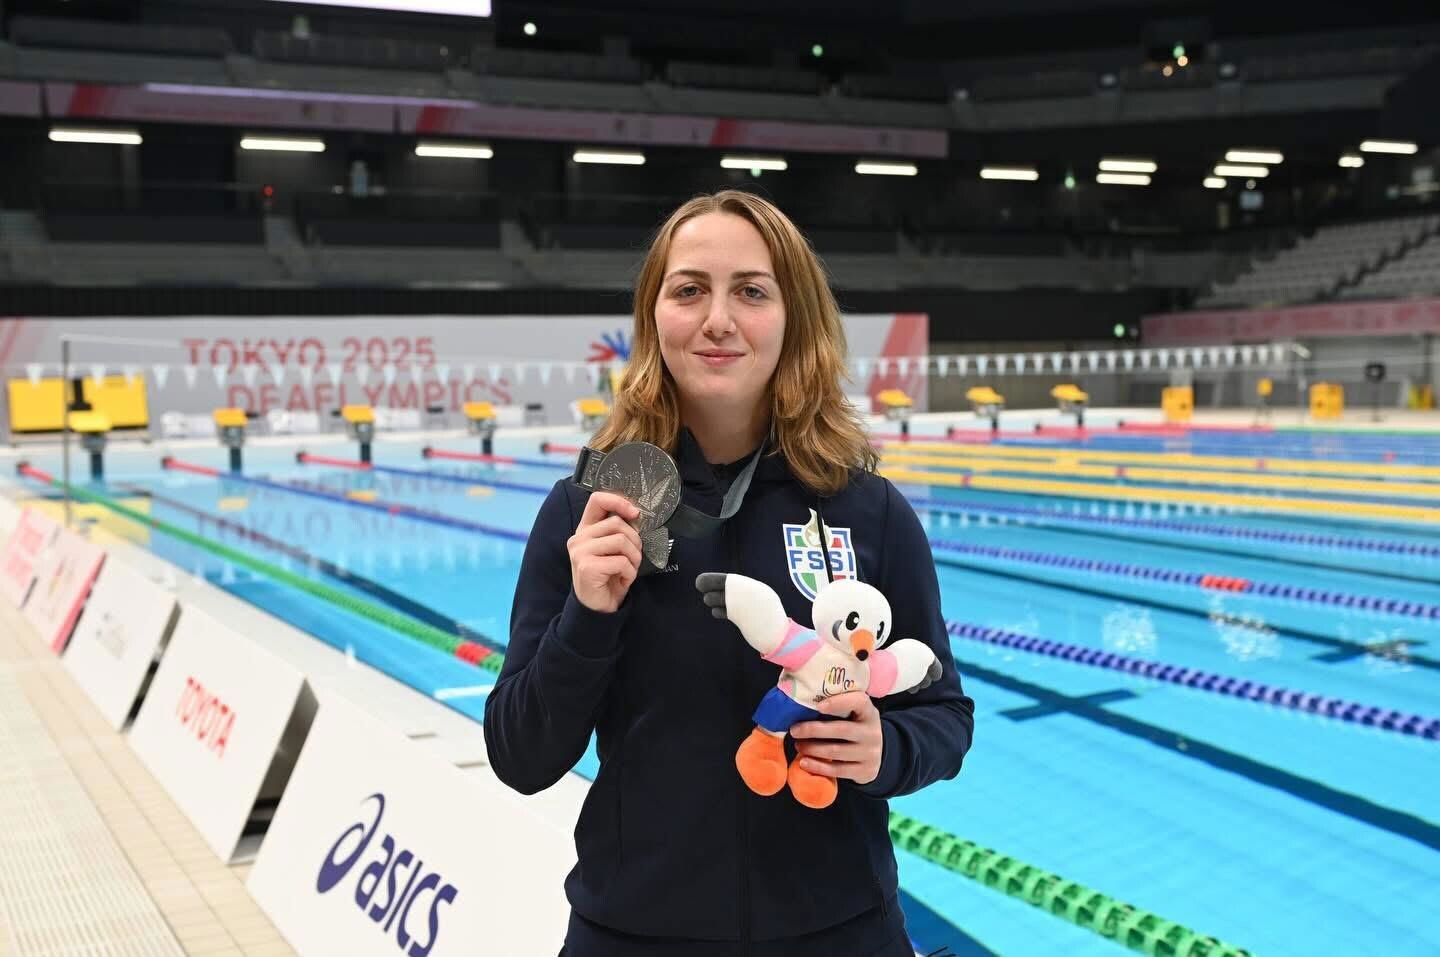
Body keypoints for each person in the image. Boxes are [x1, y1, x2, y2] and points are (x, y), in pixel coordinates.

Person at [485, 190, 974, 955]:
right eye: (689, 290)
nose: (718, 318)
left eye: (751, 290)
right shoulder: (591, 508)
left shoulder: (868, 508)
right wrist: (587, 614)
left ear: (793, 319)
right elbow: (520, 754)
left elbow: (945, 713)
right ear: (654, 317)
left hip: (840, 931)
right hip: (633, 933)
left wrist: (890, 749)